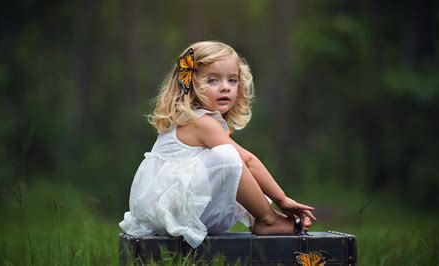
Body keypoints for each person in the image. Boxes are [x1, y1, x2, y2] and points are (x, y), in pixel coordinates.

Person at [119, 41, 316, 248]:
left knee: (225, 161)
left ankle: (265, 218)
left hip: (175, 211)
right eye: (213, 80)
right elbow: (247, 162)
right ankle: (267, 220)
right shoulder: (201, 123)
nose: (225, 87)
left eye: (232, 80)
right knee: (228, 158)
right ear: (190, 84)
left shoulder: (196, 120)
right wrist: (282, 199)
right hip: (175, 213)